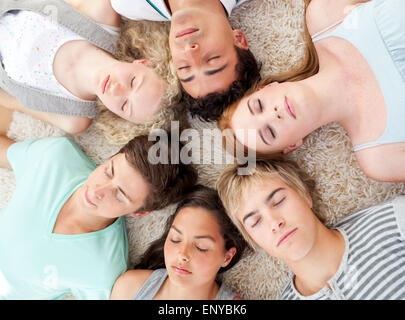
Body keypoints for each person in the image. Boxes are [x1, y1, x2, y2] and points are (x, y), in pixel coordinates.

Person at [0, 106, 198, 299]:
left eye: (120, 194)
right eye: (108, 171)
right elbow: (7, 152)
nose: (98, 191)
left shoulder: (103, 270)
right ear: (110, 158)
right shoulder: (55, 156)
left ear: (139, 213)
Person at [219, 0, 405, 182]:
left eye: (259, 106)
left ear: (267, 87)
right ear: (292, 145)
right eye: (270, 132)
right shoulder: (379, 157)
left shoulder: (324, 14)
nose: (274, 114)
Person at [217, 158, 405, 300]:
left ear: (305, 196)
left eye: (279, 201)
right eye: (255, 222)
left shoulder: (394, 221)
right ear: (253, 240)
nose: (274, 223)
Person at [0, 0, 168, 134]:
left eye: (124, 105)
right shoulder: (102, 19)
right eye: (132, 81)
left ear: (119, 116)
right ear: (142, 62)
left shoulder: (74, 119)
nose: (116, 90)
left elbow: (11, 100)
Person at [110, 0, 261, 122]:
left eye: (184, 67)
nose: (190, 50)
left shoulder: (129, 5)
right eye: (212, 59)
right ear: (239, 39)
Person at [110, 185, 247, 300]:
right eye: (175, 239)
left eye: (201, 247)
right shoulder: (129, 288)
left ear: (227, 257)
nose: (182, 254)